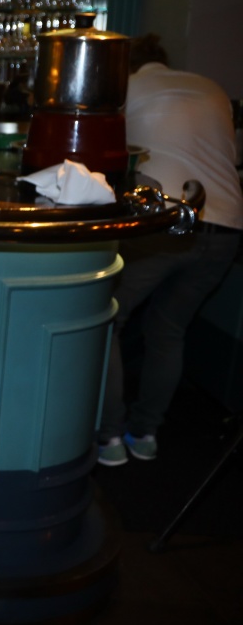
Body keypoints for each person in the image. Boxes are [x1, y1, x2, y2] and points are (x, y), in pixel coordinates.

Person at [97, 35, 243, 466]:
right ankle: (145, 434)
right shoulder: (213, 88)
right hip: (227, 224)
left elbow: (103, 154)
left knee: (109, 322)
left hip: (164, 222)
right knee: (169, 330)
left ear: (128, 67)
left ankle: (109, 438)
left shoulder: (126, 88)